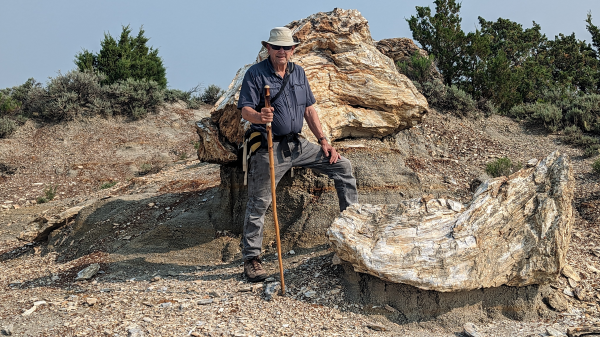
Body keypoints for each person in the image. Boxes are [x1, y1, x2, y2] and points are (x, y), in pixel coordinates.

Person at [237, 27, 358, 282]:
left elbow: (309, 109)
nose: (282, 52)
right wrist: (260, 116)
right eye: (277, 47)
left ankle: (353, 230)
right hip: (270, 146)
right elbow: (245, 110)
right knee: (259, 202)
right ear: (268, 48)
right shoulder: (255, 74)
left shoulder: (299, 72)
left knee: (342, 166)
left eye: (287, 47)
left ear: (293, 49)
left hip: (298, 145)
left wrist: (324, 141)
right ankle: (252, 260)